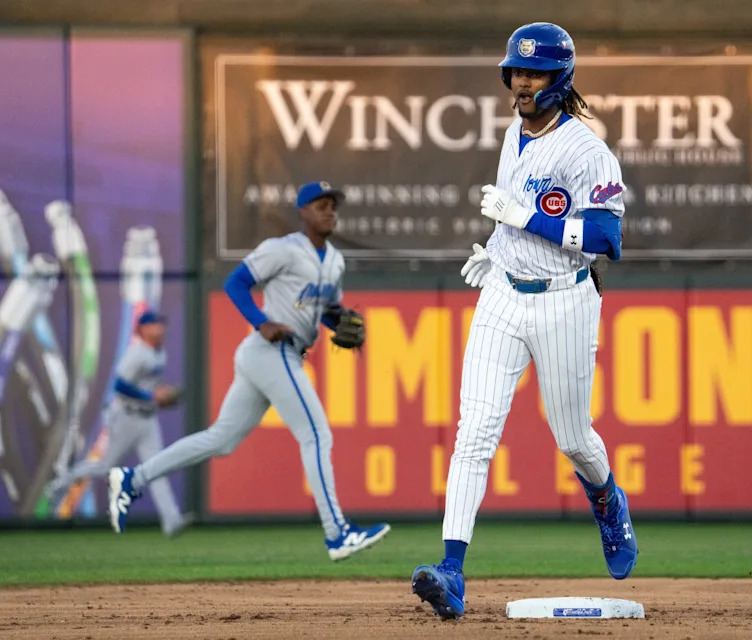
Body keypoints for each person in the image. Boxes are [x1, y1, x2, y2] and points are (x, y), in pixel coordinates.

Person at [411, 23, 637, 619]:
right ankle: (452, 571)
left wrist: (527, 217)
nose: (521, 84)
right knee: (474, 433)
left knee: (572, 438)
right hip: (504, 295)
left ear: (560, 79)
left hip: (565, 300)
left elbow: (607, 239)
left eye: (533, 73)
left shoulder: (589, 152)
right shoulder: (514, 132)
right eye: (516, 72)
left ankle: (607, 498)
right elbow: (511, 212)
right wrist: (496, 244)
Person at [108, 182, 389, 560]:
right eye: (321, 205)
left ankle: (132, 479)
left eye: (333, 205)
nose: (330, 211)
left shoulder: (335, 261)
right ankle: (337, 533)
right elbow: (236, 282)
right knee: (317, 435)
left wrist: (340, 324)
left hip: (277, 354)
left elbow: (329, 310)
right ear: (303, 211)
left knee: (220, 440)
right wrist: (261, 321)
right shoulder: (283, 249)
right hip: (272, 350)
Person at [45, 310, 188, 537]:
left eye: (161, 324)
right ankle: (60, 483)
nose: (161, 328)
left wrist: (161, 396)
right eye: (155, 324)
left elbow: (150, 387)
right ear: (143, 329)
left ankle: (171, 520)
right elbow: (120, 386)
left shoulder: (159, 353)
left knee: (157, 467)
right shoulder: (137, 353)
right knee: (104, 467)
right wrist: (151, 397)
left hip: (147, 419)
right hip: (126, 417)